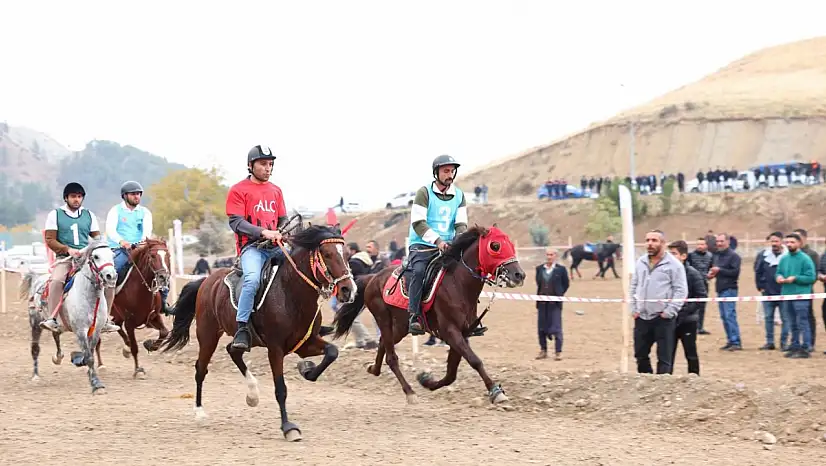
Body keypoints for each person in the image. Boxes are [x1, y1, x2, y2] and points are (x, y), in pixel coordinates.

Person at [225, 145, 289, 351]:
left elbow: (282, 218)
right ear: (250, 166)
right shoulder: (238, 190)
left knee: (302, 270)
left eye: (270, 164)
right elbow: (236, 223)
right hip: (252, 248)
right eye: (263, 164)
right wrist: (264, 232)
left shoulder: (276, 191)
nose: (268, 168)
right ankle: (242, 327)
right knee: (252, 280)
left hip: (276, 246)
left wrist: (282, 231)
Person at [40, 183, 120, 334]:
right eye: (73, 197)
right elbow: (50, 239)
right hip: (65, 259)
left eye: (79, 197)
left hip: (86, 259)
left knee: (109, 280)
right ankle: (52, 318)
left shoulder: (89, 215)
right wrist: (67, 249)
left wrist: (100, 248)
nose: (76, 200)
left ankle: (106, 319)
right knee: (57, 280)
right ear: (66, 198)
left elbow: (97, 238)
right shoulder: (55, 215)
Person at [406, 154, 468, 335]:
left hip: (448, 245)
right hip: (422, 245)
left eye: (452, 171)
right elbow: (418, 223)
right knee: (418, 272)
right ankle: (414, 316)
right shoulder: (424, 192)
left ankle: (468, 315)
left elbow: (461, 224)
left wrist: (459, 240)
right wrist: (438, 241)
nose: (450, 174)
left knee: (467, 271)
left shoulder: (459, 195)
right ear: (436, 173)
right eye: (445, 171)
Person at [105, 181, 171, 316]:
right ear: (125, 196)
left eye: (138, 194)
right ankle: (107, 306)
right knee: (112, 272)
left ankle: (163, 303)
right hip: (119, 249)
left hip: (140, 247)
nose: (137, 197)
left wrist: (142, 243)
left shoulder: (144, 212)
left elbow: (147, 231)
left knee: (161, 268)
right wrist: (122, 241)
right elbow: (110, 230)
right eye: (133, 194)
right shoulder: (115, 210)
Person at [629, 230, 687, 374]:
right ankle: (646, 384)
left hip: (662, 318)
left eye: (654, 240)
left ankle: (662, 389)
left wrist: (669, 312)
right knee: (640, 355)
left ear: (662, 243)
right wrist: (634, 308)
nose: (650, 243)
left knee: (664, 358)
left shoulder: (674, 265)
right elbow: (634, 285)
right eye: (647, 240)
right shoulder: (641, 262)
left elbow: (680, 290)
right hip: (642, 317)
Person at [667, 240, 706, 375]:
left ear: (683, 256)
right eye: (669, 254)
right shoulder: (666, 273)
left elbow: (701, 297)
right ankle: (666, 378)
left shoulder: (693, 274)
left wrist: (684, 310)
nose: (670, 257)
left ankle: (694, 378)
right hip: (669, 318)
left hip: (688, 320)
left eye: (674, 254)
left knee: (690, 352)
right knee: (667, 352)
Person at [776, 233, 816, 358]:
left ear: (799, 243)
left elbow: (811, 277)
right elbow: (778, 272)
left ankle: (806, 347)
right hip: (787, 294)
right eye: (787, 242)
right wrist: (779, 277)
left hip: (801, 295)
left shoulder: (805, 258)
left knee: (802, 321)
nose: (789, 244)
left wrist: (796, 278)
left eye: (792, 242)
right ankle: (795, 345)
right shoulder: (784, 259)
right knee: (791, 322)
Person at [708, 233, 742, 351]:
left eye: (721, 241)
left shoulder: (734, 256)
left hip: (730, 289)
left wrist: (720, 270)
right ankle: (730, 340)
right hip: (720, 288)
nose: (719, 243)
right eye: (717, 241)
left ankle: (736, 341)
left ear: (727, 242)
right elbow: (716, 270)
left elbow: (735, 273)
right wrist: (712, 274)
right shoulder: (717, 256)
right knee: (724, 316)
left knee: (729, 315)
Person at [754, 232, 787, 350]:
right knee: (768, 318)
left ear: (782, 242)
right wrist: (760, 286)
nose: (774, 244)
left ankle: (783, 343)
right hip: (767, 293)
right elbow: (758, 271)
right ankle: (770, 342)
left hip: (784, 293)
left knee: (785, 319)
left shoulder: (787, 256)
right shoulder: (763, 255)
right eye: (772, 241)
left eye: (776, 241)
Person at [535, 247, 569, 360]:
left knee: (556, 327)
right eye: (548, 254)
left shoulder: (561, 270)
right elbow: (538, 283)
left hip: (555, 304)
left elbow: (566, 284)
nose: (549, 257)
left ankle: (558, 352)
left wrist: (558, 294)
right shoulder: (539, 269)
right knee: (541, 328)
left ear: (555, 256)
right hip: (542, 303)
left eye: (551, 255)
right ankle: (543, 350)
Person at [687, 237, 713, 335]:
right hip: (692, 285)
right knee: (693, 306)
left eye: (702, 244)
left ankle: (700, 327)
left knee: (702, 306)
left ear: (706, 245)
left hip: (704, 284)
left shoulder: (710, 256)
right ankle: (693, 326)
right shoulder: (691, 256)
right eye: (698, 244)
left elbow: (711, 268)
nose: (700, 246)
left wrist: (710, 275)